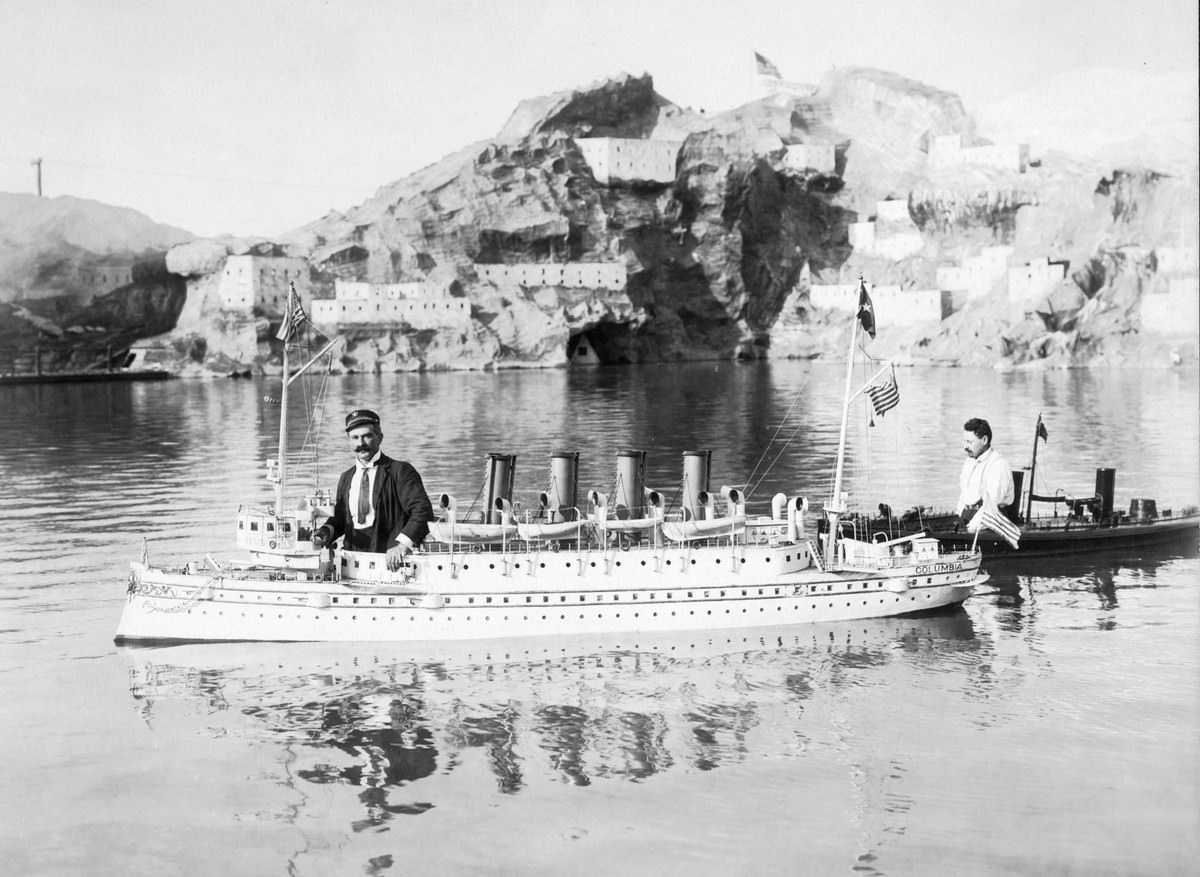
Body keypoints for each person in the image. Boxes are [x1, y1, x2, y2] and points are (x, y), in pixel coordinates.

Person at [312, 409, 434, 571]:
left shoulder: (400, 471)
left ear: (380, 438)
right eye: (355, 438)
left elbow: (422, 512)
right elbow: (341, 520)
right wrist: (324, 533)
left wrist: (401, 546)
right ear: (349, 441)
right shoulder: (346, 477)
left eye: (367, 436)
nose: (361, 443)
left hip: (391, 564)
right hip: (353, 563)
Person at [956, 417, 1015, 523]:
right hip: (968, 518)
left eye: (969, 442)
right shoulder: (969, 461)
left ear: (984, 440)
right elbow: (964, 496)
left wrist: (969, 530)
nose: (965, 446)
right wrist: (958, 520)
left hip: (991, 523)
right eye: (964, 441)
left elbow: (990, 507)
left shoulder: (999, 465)